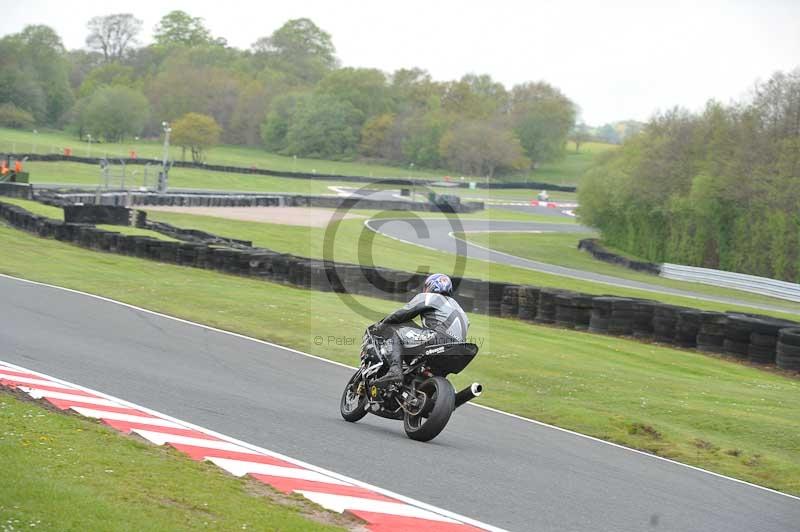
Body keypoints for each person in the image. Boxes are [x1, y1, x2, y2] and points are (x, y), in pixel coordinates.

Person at [373, 273, 469, 385]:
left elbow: (403, 313)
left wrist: (382, 323)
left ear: (432, 286)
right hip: (459, 349)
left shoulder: (430, 297)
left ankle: (395, 370)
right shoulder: (459, 308)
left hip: (438, 339)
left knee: (395, 330)